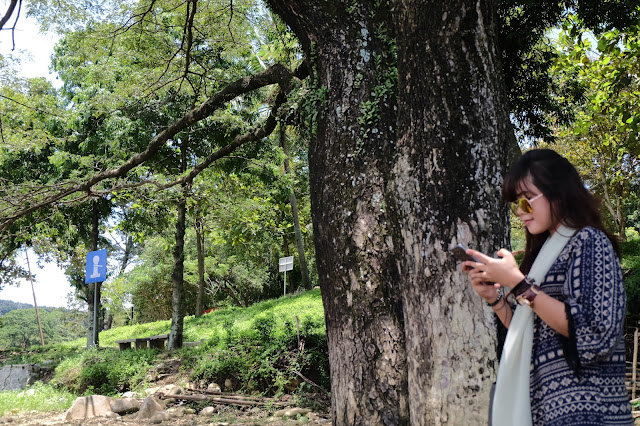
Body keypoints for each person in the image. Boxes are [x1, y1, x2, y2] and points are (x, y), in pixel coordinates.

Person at [462, 149, 633, 425]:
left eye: (527, 201)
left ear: (558, 193)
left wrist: (518, 284)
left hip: (588, 414)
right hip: (548, 411)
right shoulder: (544, 256)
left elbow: (593, 332)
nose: (520, 211)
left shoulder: (589, 242)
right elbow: (533, 332)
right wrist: (496, 299)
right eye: (515, 204)